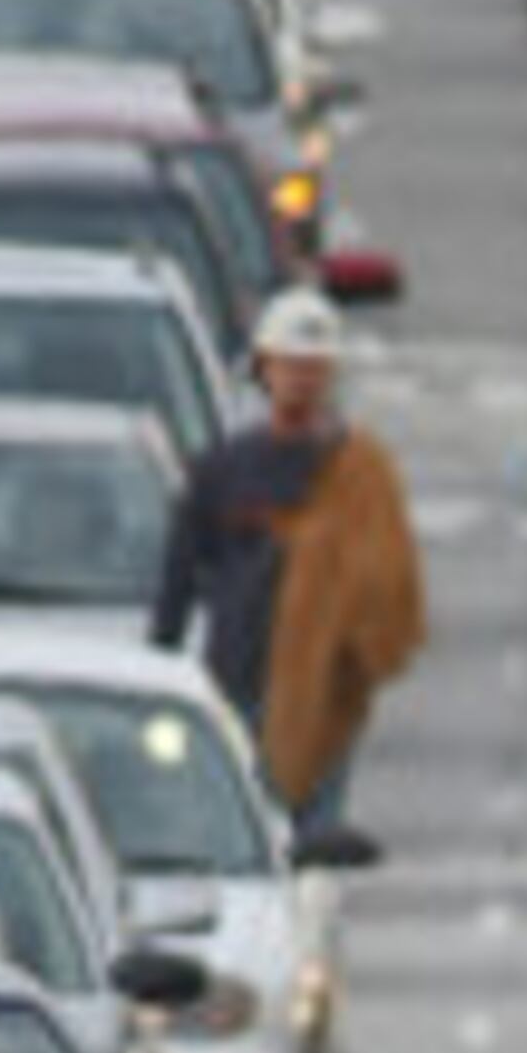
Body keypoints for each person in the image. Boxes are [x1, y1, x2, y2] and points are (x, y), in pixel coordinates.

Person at [152, 287, 425, 843]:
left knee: (313, 845)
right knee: (237, 833)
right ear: (263, 370)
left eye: (314, 369)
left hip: (322, 689)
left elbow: (390, 583)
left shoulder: (361, 470)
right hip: (234, 678)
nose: (301, 380)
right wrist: (162, 663)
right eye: (289, 366)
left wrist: (352, 643)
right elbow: (180, 575)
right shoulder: (224, 469)